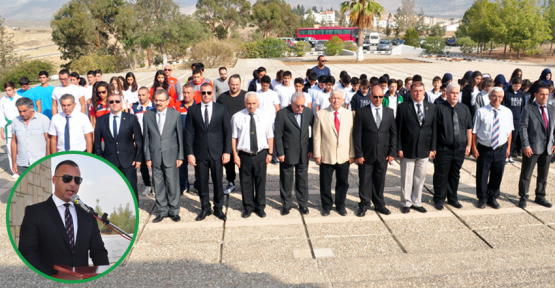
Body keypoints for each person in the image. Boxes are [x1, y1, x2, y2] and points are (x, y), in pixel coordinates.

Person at [18, 160, 109, 276]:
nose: (72, 184)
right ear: (54, 180)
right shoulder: (35, 212)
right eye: (67, 178)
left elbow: (98, 251)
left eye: (77, 180)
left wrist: (104, 276)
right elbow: (27, 253)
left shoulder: (87, 213)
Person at [185, 83, 231, 221]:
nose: (206, 95)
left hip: (217, 152)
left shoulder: (221, 109)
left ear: (213, 94)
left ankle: (218, 208)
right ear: (200, 94)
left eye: (209, 93)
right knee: (202, 183)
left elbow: (227, 131)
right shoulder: (193, 110)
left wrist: (227, 151)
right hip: (199, 153)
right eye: (203, 93)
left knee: (218, 182)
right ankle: (205, 208)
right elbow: (188, 133)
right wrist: (190, 153)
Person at [353, 86, 397, 216]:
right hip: (366, 154)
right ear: (370, 97)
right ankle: (364, 204)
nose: (378, 99)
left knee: (380, 181)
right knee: (365, 181)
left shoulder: (389, 112)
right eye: (376, 96)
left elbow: (393, 134)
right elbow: (357, 135)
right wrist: (358, 154)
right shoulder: (361, 112)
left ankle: (379, 204)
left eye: (381, 97)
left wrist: (391, 152)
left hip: (383, 154)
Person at [143, 89, 184, 223]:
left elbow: (180, 137)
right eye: (156, 100)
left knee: (173, 184)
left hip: (171, 155)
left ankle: (174, 211)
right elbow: (146, 138)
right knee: (158, 184)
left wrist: (180, 156)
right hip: (155, 155)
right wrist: (147, 157)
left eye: (161, 100)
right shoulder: (148, 115)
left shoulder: (175, 115)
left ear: (168, 101)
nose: (158, 103)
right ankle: (162, 210)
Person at [231, 92, 274, 218]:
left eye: (254, 103)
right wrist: (235, 155)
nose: (251, 106)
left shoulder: (265, 116)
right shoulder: (237, 117)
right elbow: (234, 138)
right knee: (245, 182)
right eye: (248, 103)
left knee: (260, 181)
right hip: (244, 155)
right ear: (244, 103)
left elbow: (270, 136)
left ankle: (260, 207)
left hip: (261, 154)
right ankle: (248, 207)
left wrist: (270, 153)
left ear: (258, 103)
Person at [396, 82, 437, 214]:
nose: (418, 93)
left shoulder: (431, 107)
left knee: (420, 176)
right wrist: (399, 148)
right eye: (415, 91)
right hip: (407, 148)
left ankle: (417, 201)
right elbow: (398, 130)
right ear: (411, 92)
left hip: (424, 148)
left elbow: (434, 129)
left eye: (420, 90)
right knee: (407, 176)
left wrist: (433, 148)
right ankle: (406, 202)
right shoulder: (403, 107)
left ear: (424, 92)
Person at [313, 90, 355, 216]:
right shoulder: (320, 114)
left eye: (338, 98)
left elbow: (352, 136)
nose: (336, 100)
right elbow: (316, 136)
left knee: (343, 183)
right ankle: (326, 206)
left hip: (343, 155)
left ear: (343, 101)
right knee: (325, 183)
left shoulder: (349, 114)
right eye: (334, 98)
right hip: (326, 154)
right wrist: (317, 153)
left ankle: (340, 205)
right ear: (329, 99)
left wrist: (352, 153)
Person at [94, 94, 143, 199]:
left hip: (129, 160)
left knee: (131, 190)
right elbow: (97, 144)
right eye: (111, 102)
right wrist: (102, 160)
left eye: (117, 101)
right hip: (110, 161)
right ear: (108, 104)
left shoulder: (131, 118)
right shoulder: (101, 120)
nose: (114, 103)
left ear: (121, 103)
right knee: (113, 191)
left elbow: (139, 140)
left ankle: (134, 213)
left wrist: (138, 158)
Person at [472, 87, 513, 209]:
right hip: (485, 148)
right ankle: (482, 197)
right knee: (482, 174)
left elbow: (509, 131)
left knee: (497, 174)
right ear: (489, 97)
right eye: (494, 96)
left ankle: (493, 197)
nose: (497, 98)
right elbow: (474, 132)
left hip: (501, 148)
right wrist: (474, 147)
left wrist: (508, 148)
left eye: (500, 96)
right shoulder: (481, 112)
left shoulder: (507, 112)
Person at [432, 83, 472, 210]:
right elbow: (434, 130)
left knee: (455, 174)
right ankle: (439, 199)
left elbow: (469, 128)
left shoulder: (464, 108)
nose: (455, 95)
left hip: (459, 148)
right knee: (441, 174)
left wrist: (469, 145)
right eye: (453, 93)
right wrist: (433, 148)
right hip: (443, 148)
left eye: (457, 93)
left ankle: (452, 198)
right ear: (447, 93)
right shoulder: (439, 108)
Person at [274, 92, 314, 215]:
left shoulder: (308, 112)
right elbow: (278, 135)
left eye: (302, 105)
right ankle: (286, 204)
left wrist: (311, 149)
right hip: (287, 153)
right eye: (297, 105)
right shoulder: (282, 114)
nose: (300, 108)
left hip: (304, 152)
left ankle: (303, 204)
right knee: (286, 180)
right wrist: (280, 152)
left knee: (302, 180)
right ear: (291, 103)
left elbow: (311, 132)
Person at [517, 83, 554, 208]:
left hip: (547, 147)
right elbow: (523, 128)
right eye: (542, 94)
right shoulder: (528, 109)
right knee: (526, 174)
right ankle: (523, 196)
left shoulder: (552, 109)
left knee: (543, 174)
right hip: (532, 148)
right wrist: (526, 145)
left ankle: (540, 195)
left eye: (547, 95)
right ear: (536, 95)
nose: (545, 97)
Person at [216, 75, 246, 195]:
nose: (235, 86)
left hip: (243, 134)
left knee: (243, 160)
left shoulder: (246, 95)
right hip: (227, 134)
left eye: (237, 84)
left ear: (240, 83)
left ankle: (245, 182)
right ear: (228, 84)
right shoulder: (222, 97)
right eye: (232, 84)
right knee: (228, 161)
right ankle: (231, 182)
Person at [10, 97, 50, 176]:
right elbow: (14, 142)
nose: (22, 114)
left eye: (24, 111)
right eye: (20, 111)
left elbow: (49, 140)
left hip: (40, 162)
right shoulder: (15, 121)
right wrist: (14, 162)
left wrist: (48, 160)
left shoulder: (43, 119)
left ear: (31, 107)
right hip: (22, 164)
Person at [132, 87, 155, 196]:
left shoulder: (154, 106)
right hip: (140, 139)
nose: (141, 97)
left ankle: (156, 185)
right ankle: (148, 184)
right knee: (143, 165)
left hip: (152, 138)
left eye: (143, 95)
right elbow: (132, 124)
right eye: (139, 95)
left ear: (148, 95)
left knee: (154, 163)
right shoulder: (135, 108)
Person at [1, 82, 23, 177]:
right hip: (8, 127)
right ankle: (14, 171)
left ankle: (22, 169)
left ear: (14, 89)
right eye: (6, 90)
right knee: (10, 149)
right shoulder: (3, 100)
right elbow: (1, 115)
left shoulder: (20, 99)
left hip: (19, 126)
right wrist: (1, 129)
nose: (7, 92)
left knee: (20, 149)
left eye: (9, 90)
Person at [502, 77, 525, 163]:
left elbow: (522, 106)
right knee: (507, 138)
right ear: (512, 84)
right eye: (516, 86)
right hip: (508, 119)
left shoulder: (521, 93)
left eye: (519, 86)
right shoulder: (507, 93)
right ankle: (505, 155)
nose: (517, 88)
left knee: (514, 139)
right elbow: (504, 106)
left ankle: (510, 155)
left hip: (517, 119)